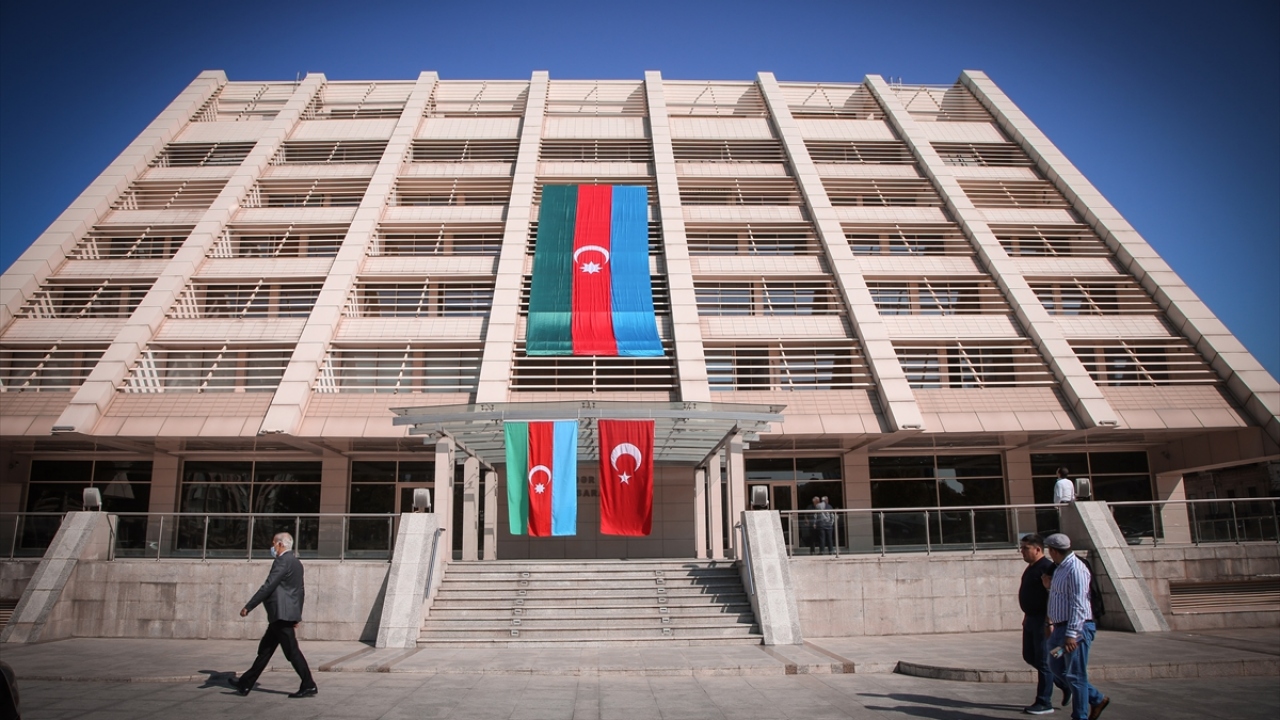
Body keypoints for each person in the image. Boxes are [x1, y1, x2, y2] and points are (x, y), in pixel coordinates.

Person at [234, 532, 317, 699]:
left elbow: (269, 585)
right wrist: (296, 615)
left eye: (273, 543)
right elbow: (300, 591)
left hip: (281, 614)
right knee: (265, 650)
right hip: (284, 614)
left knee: (292, 652)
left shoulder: (282, 561)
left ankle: (309, 684)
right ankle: (245, 683)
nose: (272, 547)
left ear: (280, 544)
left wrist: (249, 606)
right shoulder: (296, 563)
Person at [1044, 533, 1109, 720]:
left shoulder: (1076, 568)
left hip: (1076, 630)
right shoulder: (1060, 568)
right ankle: (1096, 698)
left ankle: (1080, 716)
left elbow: (1080, 604)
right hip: (1059, 629)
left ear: (1054, 551)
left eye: (1049, 550)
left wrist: (1072, 634)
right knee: (1055, 663)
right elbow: (1059, 596)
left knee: (1075, 674)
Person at [1018, 534, 1068, 715]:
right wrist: (1026, 614)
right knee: (1029, 656)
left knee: (1044, 661)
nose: (1022, 551)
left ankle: (1044, 701)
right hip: (1031, 619)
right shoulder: (1031, 568)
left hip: (1043, 621)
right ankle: (1063, 683)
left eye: (1026, 548)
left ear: (1038, 549)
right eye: (1022, 548)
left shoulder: (1047, 568)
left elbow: (1053, 596)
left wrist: (1049, 620)